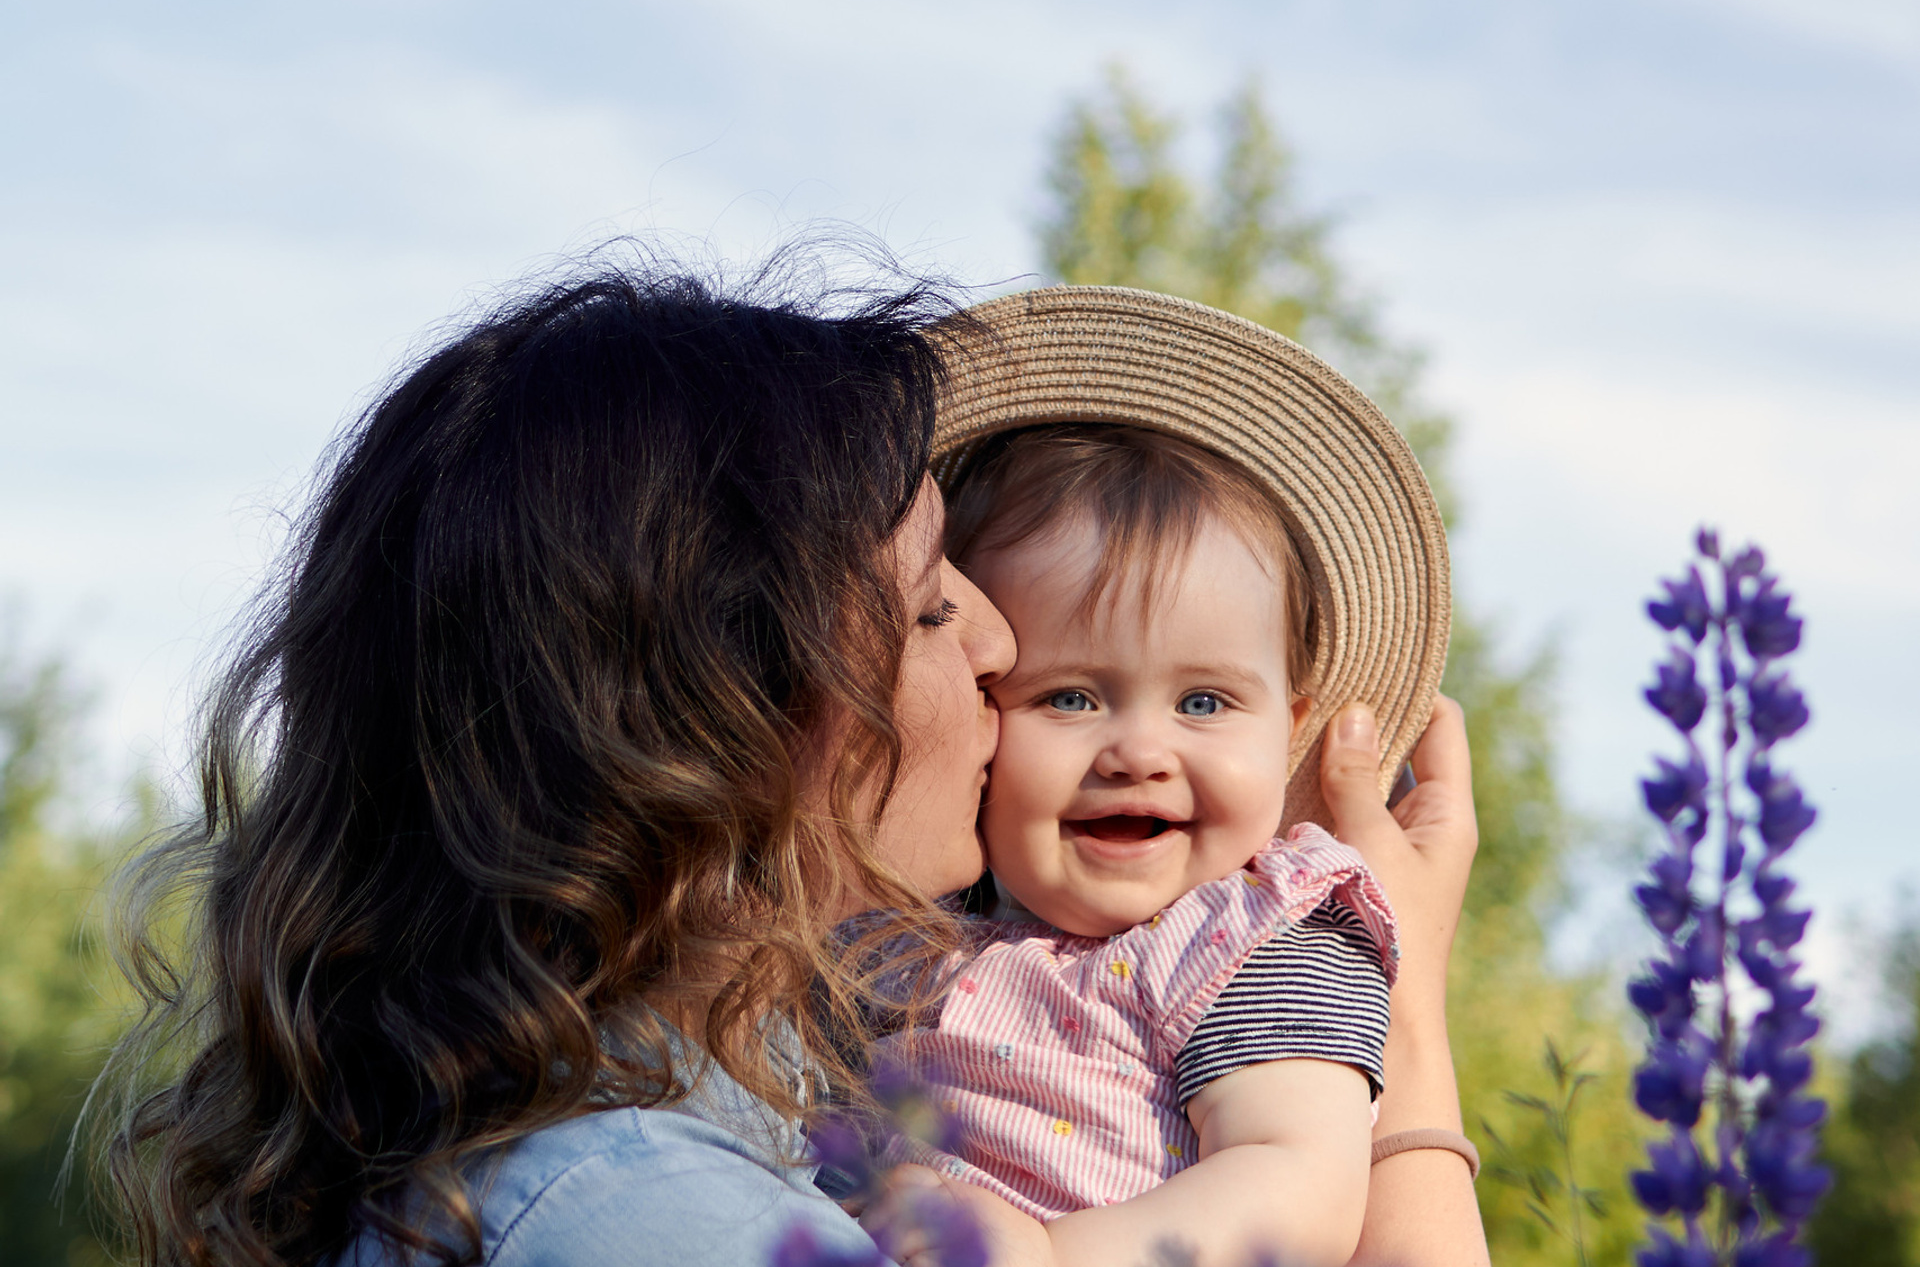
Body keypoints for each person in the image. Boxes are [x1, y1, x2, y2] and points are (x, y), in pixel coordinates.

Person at [100, 257, 1488, 1267]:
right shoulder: (647, 1211)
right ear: (723, 711)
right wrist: (1410, 1030)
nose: (1004, 646)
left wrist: (1378, 997)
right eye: (933, 606)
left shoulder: (732, 1098)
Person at [858, 288, 1476, 1267]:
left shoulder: (1249, 942)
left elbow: (1296, 1185)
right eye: (1070, 697)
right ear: (981, 707)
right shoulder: (902, 932)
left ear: (1290, 734)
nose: (1138, 752)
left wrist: (1053, 1256)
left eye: (1203, 702)